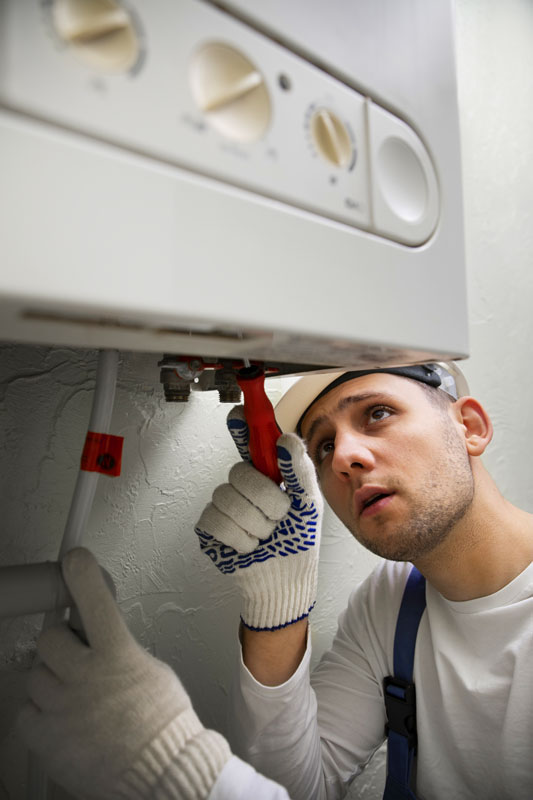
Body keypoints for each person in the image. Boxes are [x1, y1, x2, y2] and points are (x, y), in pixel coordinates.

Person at [194, 362, 533, 799]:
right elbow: (288, 791)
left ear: (469, 427)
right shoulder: (391, 602)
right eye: (322, 446)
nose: (341, 459)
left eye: (377, 414)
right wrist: (276, 611)